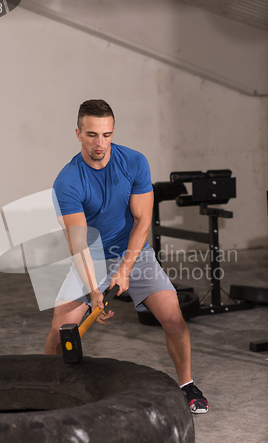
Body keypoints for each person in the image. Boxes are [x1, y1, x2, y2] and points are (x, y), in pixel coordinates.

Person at [45, 99, 208, 414]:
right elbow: (78, 245)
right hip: (91, 258)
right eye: (92, 135)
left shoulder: (134, 162)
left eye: (106, 135)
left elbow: (143, 221)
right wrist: (95, 291)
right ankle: (50, 390)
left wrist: (125, 270)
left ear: (113, 131)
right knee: (59, 331)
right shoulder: (67, 182)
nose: (100, 143)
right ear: (78, 133)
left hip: (134, 251)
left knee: (174, 317)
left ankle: (187, 384)